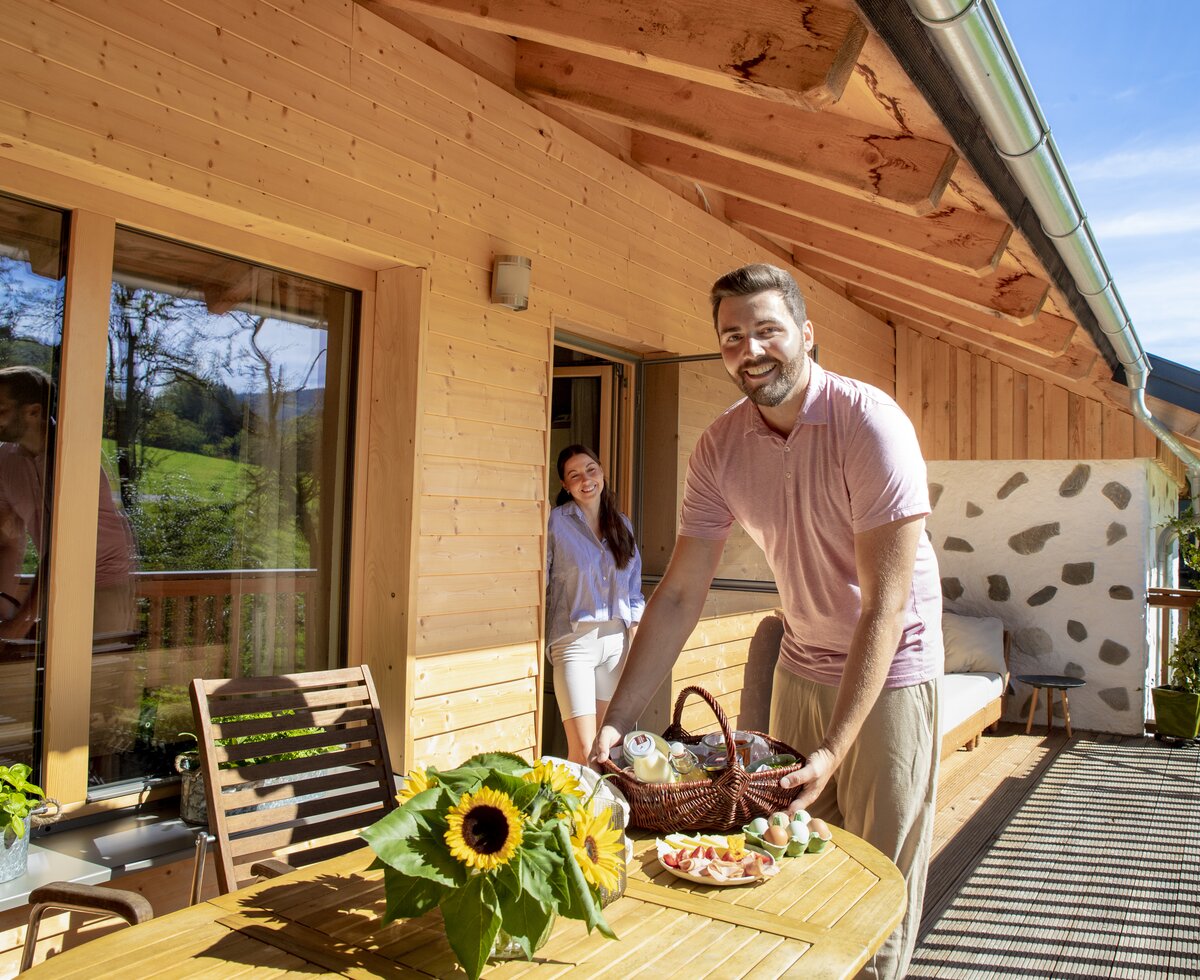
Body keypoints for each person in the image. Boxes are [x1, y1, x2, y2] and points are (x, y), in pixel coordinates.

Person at [591, 264, 942, 980]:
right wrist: (615, 722)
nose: (750, 349)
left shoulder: (868, 424)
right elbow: (682, 592)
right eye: (731, 337)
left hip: (891, 674)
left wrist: (837, 749)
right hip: (802, 664)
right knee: (787, 856)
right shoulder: (720, 447)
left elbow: (886, 603)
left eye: (768, 330)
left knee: (879, 883)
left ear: (806, 335)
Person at [0, 365, 136, 642]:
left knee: (95, 676)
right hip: (57, 583)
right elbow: (8, 542)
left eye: (1, 409)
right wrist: (2, 608)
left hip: (104, 584)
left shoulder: (73, 455)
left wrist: (20, 623)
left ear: (34, 412)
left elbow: (64, 548)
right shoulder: (6, 460)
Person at [545, 444, 644, 766]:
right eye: (574, 475)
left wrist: (635, 637)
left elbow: (633, 592)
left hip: (616, 644)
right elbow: (540, 581)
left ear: (601, 472)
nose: (585, 480)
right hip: (574, 643)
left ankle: (604, 816)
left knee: (608, 752)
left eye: (590, 470)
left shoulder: (622, 525)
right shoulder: (554, 524)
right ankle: (574, 817)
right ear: (565, 485)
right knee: (583, 752)